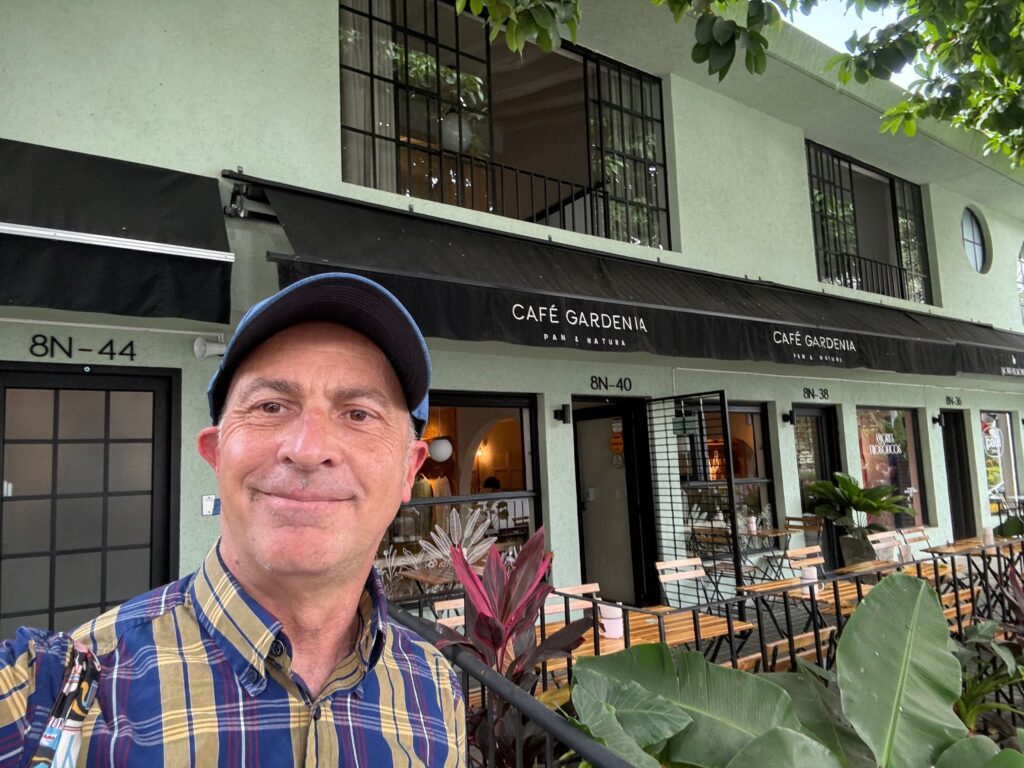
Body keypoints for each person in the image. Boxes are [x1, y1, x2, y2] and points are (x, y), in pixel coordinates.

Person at [0, 273, 466, 766]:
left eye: (358, 414)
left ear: (407, 471)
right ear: (216, 453)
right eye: (271, 406)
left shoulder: (435, 689)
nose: (309, 450)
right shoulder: (49, 697)